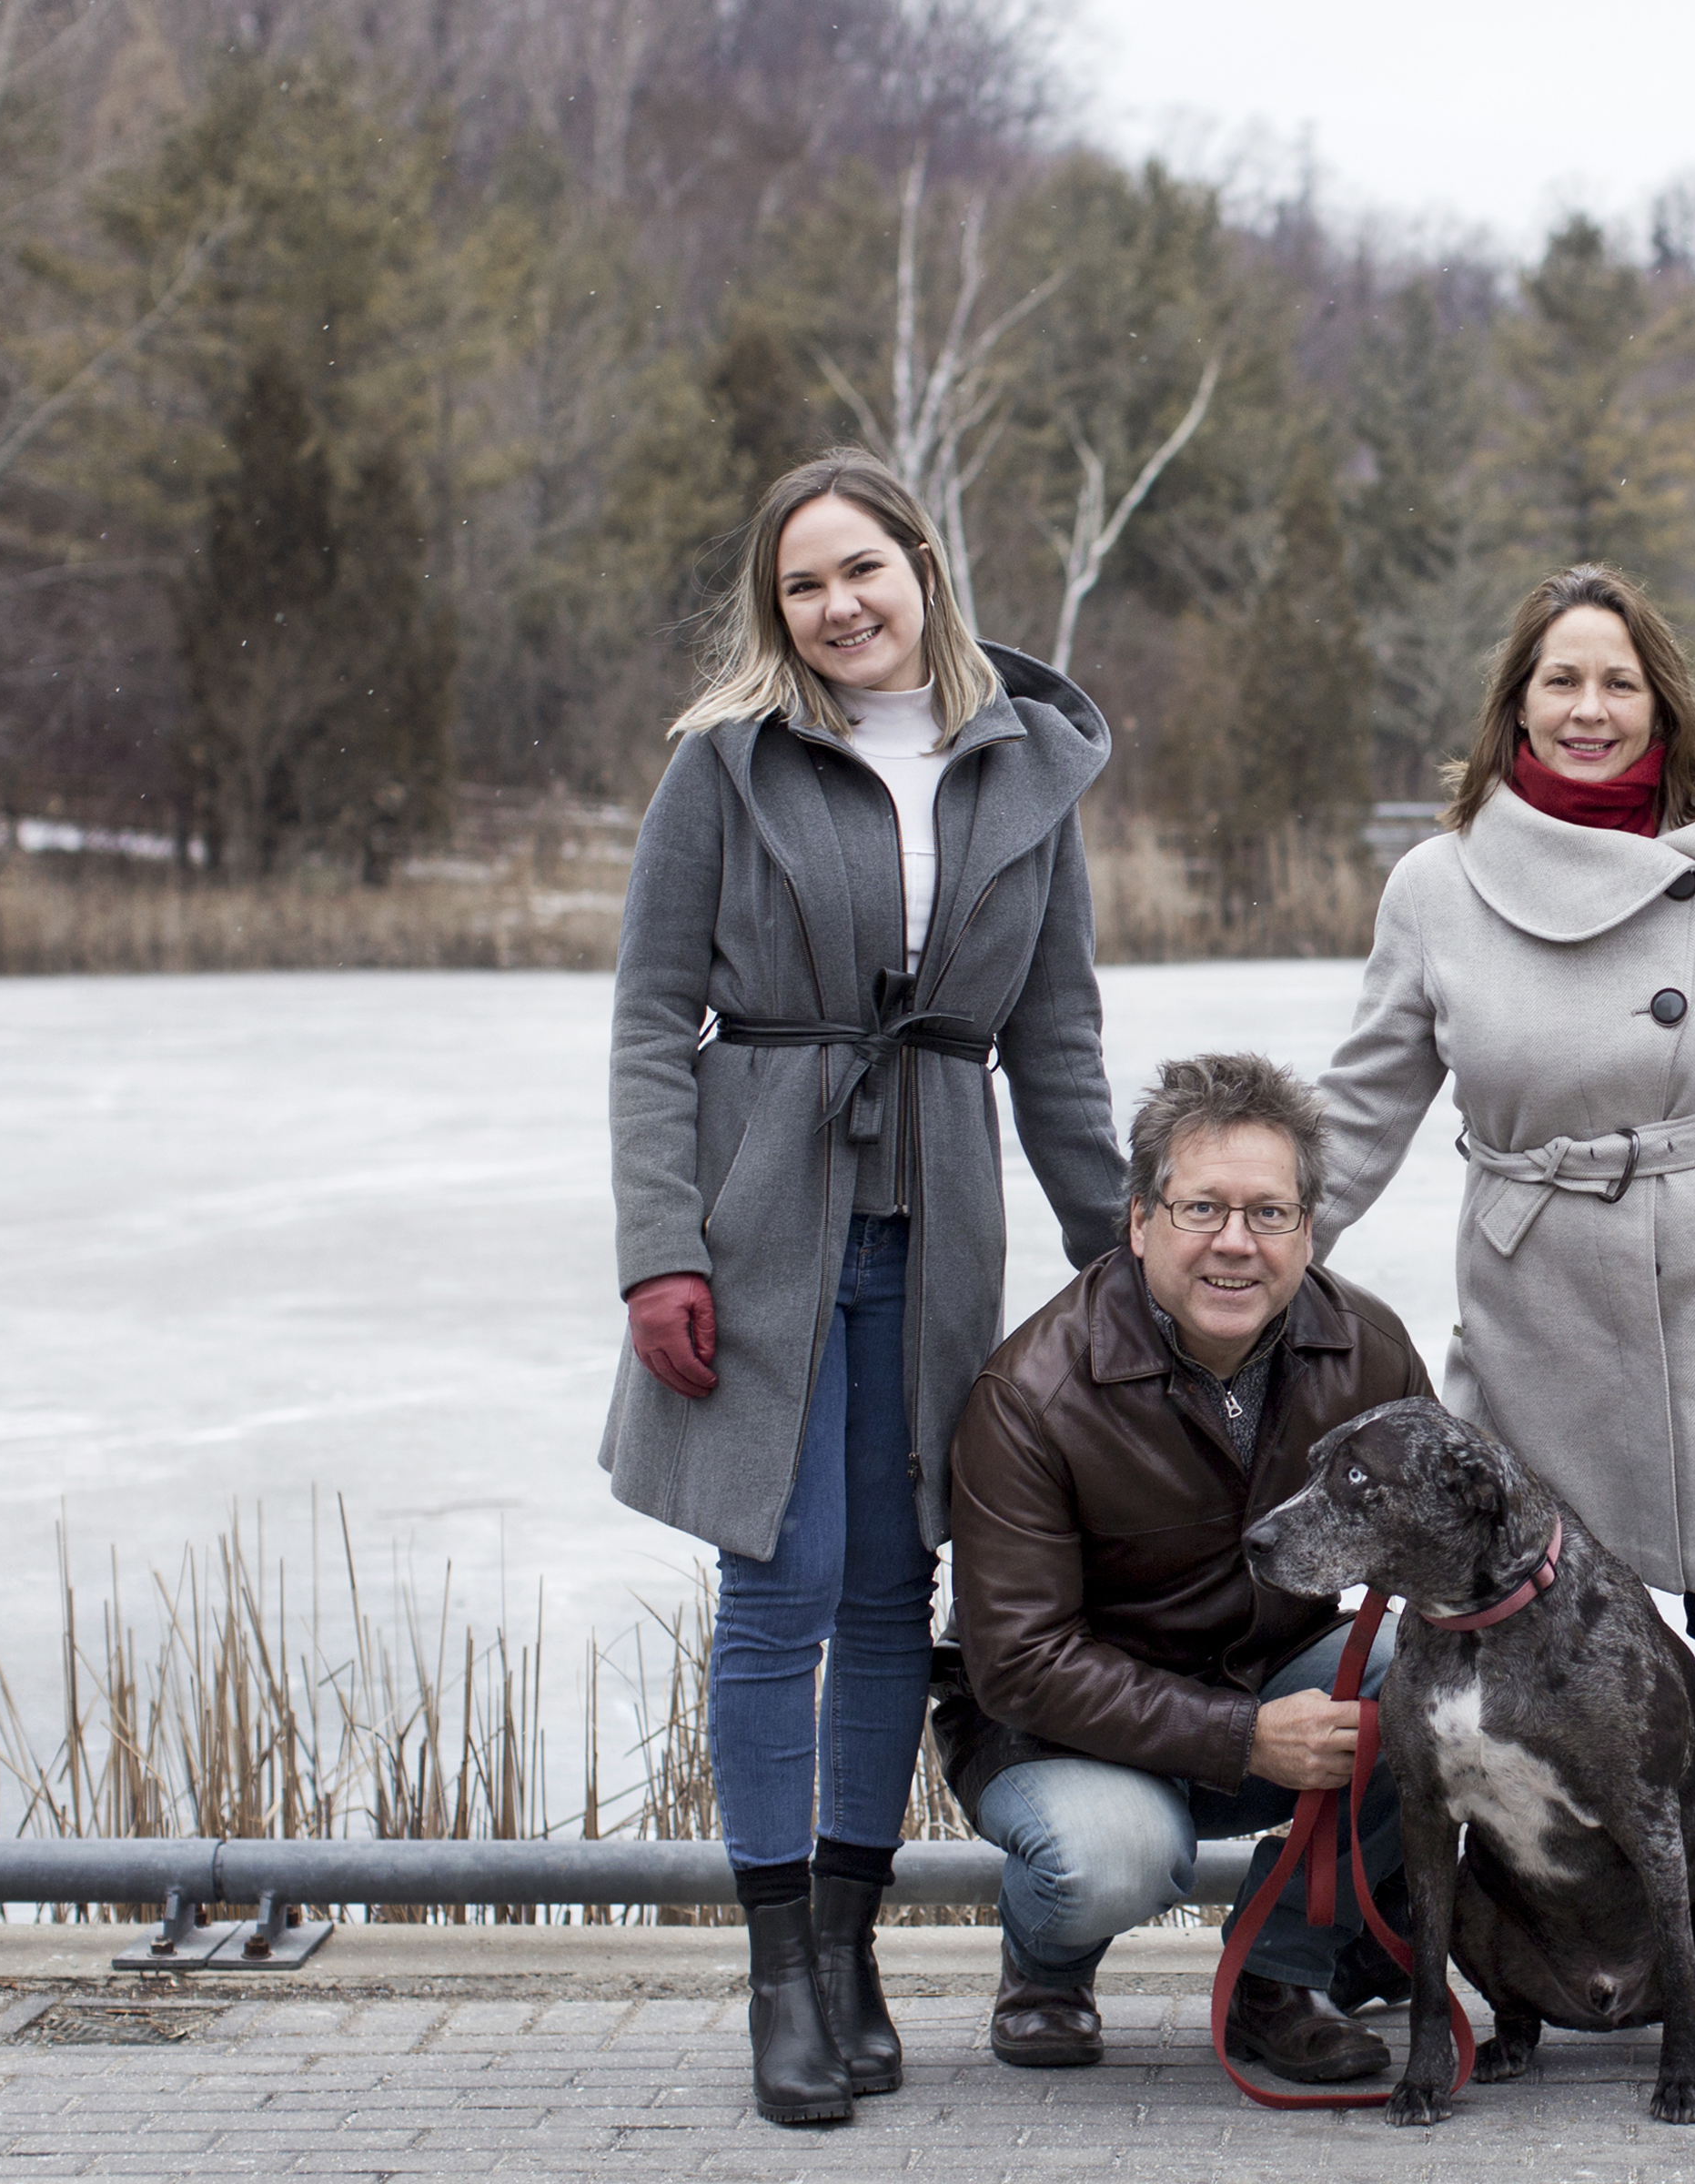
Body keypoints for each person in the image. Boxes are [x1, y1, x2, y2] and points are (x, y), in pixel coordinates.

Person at [600, 448, 1128, 2127]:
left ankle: (850, 1946)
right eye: (803, 585)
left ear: (925, 568)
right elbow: (648, 1018)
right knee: (784, 1580)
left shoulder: (1027, 769)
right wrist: (659, 1248)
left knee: (899, 1587)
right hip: (764, 1214)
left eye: (862, 571)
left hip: (939, 1213)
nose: (838, 608)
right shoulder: (727, 764)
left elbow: (1056, 1037)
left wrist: (1117, 1252)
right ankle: (777, 1972)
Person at [1310, 564, 1695, 2071]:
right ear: (1517, 705)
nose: (1592, 708)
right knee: (1499, 1628)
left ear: (1664, 703)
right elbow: (1365, 1102)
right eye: (1563, 681)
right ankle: (1498, 1945)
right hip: (1538, 1283)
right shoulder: (1440, 884)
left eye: (1621, 681)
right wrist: (1248, 1253)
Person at [942, 1053, 1438, 2082]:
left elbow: (1456, 1564)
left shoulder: (1371, 1351)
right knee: (1111, 1861)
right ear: (1138, 1222)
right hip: (1056, 1735)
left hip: (1265, 1682)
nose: (1235, 1243)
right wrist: (1245, 1737)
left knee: (1436, 1677)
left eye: (1269, 1213)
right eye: (1201, 1208)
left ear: (1308, 1229)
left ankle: (1278, 1977)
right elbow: (1017, 1662)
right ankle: (1047, 1967)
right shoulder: (1030, 1393)